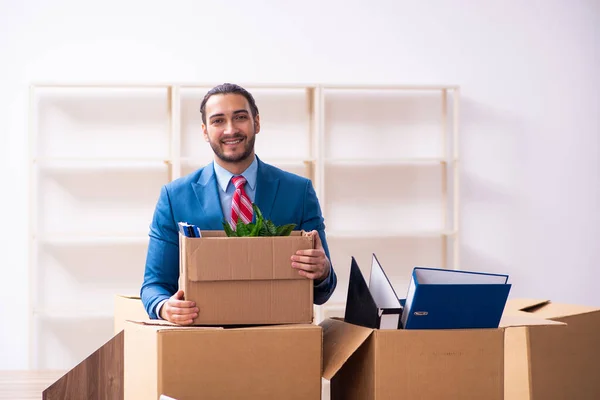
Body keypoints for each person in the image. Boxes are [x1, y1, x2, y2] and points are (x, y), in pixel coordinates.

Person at [140, 83, 337, 325]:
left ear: (257, 122)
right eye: (218, 121)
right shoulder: (175, 197)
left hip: (279, 341)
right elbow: (154, 285)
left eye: (240, 117)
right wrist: (164, 308)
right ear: (205, 131)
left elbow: (322, 293)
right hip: (202, 340)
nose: (230, 129)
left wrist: (323, 271)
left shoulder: (297, 191)